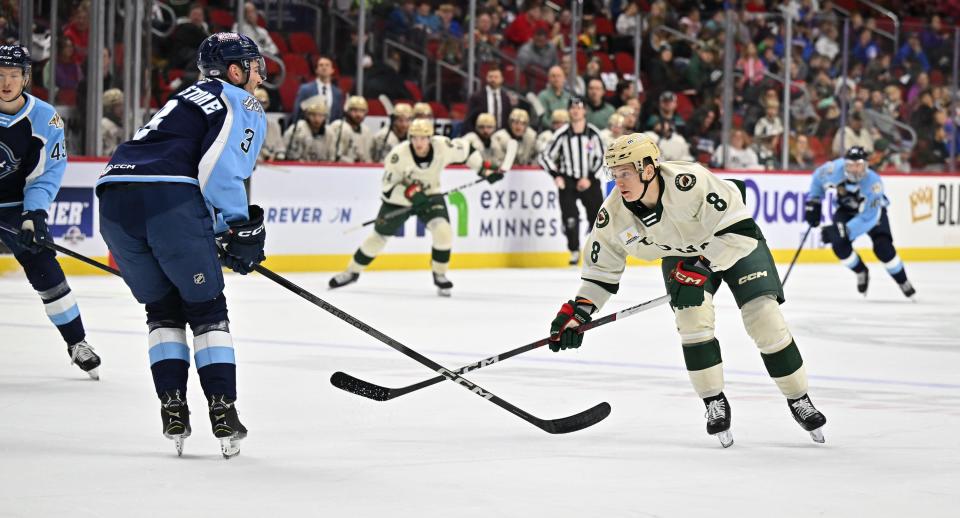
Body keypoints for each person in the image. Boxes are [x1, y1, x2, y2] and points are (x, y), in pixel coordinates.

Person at [548, 133, 828, 447]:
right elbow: (601, 272)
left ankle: (798, 399)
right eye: (614, 173)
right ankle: (713, 403)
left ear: (648, 169)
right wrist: (580, 312)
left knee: (763, 316)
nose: (618, 181)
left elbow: (742, 233)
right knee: (692, 322)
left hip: (733, 245)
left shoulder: (689, 182)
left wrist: (705, 267)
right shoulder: (613, 214)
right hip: (682, 258)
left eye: (625, 172)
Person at [97, 33, 267, 458]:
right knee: (207, 309)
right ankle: (222, 409)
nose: (260, 73)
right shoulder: (241, 101)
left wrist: (210, 232)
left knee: (163, 310)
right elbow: (218, 169)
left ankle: (172, 408)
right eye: (254, 64)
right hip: (168, 201)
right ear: (234, 70)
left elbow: (181, 162)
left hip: (114, 200)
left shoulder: (184, 98)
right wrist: (238, 225)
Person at [0, 44, 101, 379]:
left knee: (45, 268)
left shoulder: (45, 118)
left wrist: (34, 214)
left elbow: (46, 174)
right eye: (0, 75)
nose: (6, 82)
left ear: (26, 77)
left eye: (14, 75)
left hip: (16, 208)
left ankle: (77, 342)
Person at [328, 119, 502, 296]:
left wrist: (483, 170)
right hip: (399, 201)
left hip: (430, 196)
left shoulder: (443, 146)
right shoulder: (398, 156)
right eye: (415, 138)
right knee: (379, 237)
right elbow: (387, 188)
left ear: (430, 138)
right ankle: (351, 271)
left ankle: (440, 275)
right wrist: (409, 193)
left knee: (443, 232)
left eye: (423, 138)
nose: (419, 143)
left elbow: (467, 150)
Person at [805, 146, 916, 299]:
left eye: (859, 165)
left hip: (874, 214)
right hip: (846, 210)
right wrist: (814, 201)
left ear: (866, 166)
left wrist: (845, 230)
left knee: (883, 248)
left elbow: (868, 217)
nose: (855, 170)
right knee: (839, 246)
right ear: (845, 164)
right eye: (851, 165)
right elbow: (817, 178)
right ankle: (861, 271)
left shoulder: (874, 183)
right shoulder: (832, 170)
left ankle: (902, 280)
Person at [538, 96, 605, 265]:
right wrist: (556, 175)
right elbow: (544, 156)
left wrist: (590, 178)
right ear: (569, 111)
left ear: (584, 111)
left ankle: (598, 250)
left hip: (589, 178)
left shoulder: (593, 133)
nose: (575, 111)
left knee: (598, 218)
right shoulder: (561, 134)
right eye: (572, 108)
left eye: (579, 107)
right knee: (570, 217)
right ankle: (574, 250)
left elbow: (603, 157)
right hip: (568, 180)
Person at [291, 56, 343, 124]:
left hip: (330, 131)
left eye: (327, 65)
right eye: (321, 65)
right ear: (316, 70)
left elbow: (338, 117)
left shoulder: (337, 93)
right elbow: (297, 112)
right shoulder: (305, 89)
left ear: (332, 70)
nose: (324, 68)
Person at [282, 95, 330, 162]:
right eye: (313, 115)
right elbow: (292, 157)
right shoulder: (298, 130)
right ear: (307, 115)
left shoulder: (329, 133)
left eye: (320, 115)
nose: (317, 119)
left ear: (325, 117)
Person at [327, 96, 373, 163]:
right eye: (355, 110)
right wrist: (354, 162)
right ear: (347, 111)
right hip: (341, 170)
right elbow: (335, 156)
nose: (358, 114)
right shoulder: (339, 126)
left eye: (362, 111)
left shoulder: (366, 131)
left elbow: (367, 158)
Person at [465, 66, 511, 132]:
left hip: (501, 134)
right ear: (486, 78)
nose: (493, 79)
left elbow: (507, 119)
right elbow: (469, 120)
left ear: (502, 79)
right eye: (490, 77)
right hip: (481, 134)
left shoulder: (506, 98)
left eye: (496, 77)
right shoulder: (476, 97)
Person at [253, 87, 285, 161]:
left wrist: (276, 156)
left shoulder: (274, 125)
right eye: (258, 102)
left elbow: (280, 149)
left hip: (271, 164)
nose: (261, 106)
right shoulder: (245, 123)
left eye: (264, 103)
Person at [101, 88, 124, 156]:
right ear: (109, 108)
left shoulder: (126, 123)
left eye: (122, 104)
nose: (121, 108)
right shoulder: (103, 124)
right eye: (117, 105)